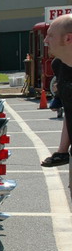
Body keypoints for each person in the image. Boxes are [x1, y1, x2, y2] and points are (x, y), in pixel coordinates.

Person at [44, 15, 72, 192]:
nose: (46, 40)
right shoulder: (59, 66)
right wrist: (62, 151)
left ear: (68, 38)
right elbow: (70, 111)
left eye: (50, 35)